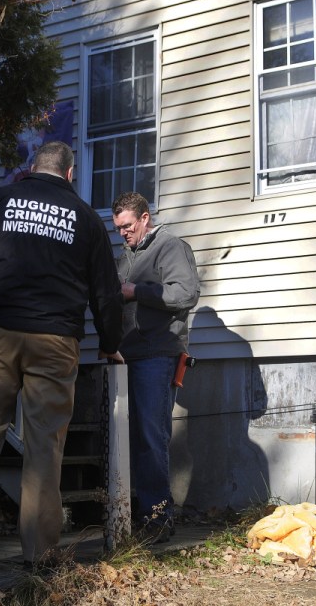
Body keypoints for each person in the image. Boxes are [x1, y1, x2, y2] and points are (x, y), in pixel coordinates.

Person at [0, 141, 123, 575]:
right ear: (70, 174)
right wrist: (110, 341)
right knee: (45, 446)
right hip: (55, 339)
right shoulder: (86, 219)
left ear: (33, 167)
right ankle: (39, 556)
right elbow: (106, 291)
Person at [112, 191, 200, 543]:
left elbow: (186, 293)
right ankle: (138, 516)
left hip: (157, 355)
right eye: (118, 228)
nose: (123, 233)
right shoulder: (127, 254)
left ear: (145, 218)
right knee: (131, 439)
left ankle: (158, 521)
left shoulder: (170, 246)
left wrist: (137, 291)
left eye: (128, 226)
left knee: (152, 437)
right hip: (125, 355)